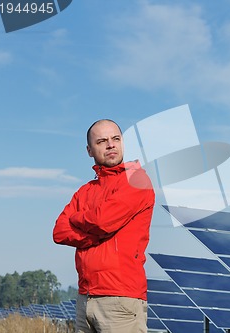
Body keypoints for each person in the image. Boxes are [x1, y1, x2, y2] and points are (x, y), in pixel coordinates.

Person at [53, 119, 155, 333]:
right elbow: (60, 231)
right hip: (85, 298)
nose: (110, 145)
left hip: (120, 299)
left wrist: (79, 219)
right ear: (89, 150)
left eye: (115, 139)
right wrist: (95, 237)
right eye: (101, 141)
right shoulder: (85, 190)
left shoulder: (136, 180)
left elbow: (102, 221)